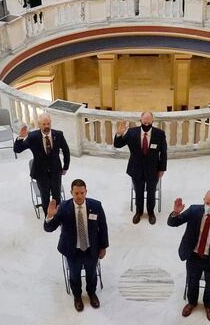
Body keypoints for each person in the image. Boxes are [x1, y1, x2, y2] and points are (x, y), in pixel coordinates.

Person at [44, 179, 108, 312]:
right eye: (76, 193)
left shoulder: (96, 206)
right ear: (71, 193)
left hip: (91, 248)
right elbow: (49, 228)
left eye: (82, 193)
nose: (79, 196)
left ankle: (91, 293)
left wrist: (103, 247)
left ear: (86, 192)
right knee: (74, 275)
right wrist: (50, 216)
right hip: (72, 249)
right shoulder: (63, 208)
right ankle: (77, 296)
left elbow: (103, 227)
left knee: (91, 273)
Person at [168, 190, 210, 322]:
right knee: (192, 281)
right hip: (194, 255)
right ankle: (192, 302)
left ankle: (208, 305)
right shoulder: (194, 210)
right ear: (203, 200)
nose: (209, 206)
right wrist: (176, 212)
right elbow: (173, 223)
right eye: (207, 203)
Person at [114, 113, 166, 225]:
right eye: (144, 122)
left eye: (148, 123)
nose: (146, 124)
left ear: (153, 122)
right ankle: (139, 212)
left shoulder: (159, 134)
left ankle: (151, 212)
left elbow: (164, 153)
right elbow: (117, 145)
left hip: (153, 169)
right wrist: (119, 134)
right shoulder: (132, 132)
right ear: (140, 120)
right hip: (136, 168)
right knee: (138, 191)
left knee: (151, 191)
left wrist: (162, 169)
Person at [15, 113, 70, 215]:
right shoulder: (32, 137)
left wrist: (65, 167)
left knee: (56, 196)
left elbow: (66, 151)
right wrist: (20, 138)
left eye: (48, 123)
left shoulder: (58, 135)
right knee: (45, 198)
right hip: (41, 173)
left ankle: (57, 217)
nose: (46, 126)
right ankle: (48, 217)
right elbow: (17, 150)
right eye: (44, 124)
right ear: (39, 124)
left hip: (55, 172)